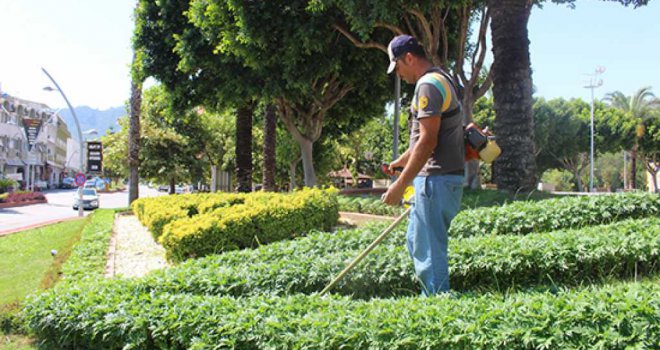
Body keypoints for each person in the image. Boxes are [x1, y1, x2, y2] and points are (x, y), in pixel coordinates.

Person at [381, 34, 464, 296]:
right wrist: (400, 162)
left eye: (398, 67)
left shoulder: (427, 85)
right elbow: (424, 139)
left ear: (408, 57)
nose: (399, 74)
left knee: (429, 251)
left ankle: (439, 310)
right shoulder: (442, 77)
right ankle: (431, 300)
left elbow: (428, 142)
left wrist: (399, 186)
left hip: (435, 181)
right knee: (418, 242)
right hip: (439, 180)